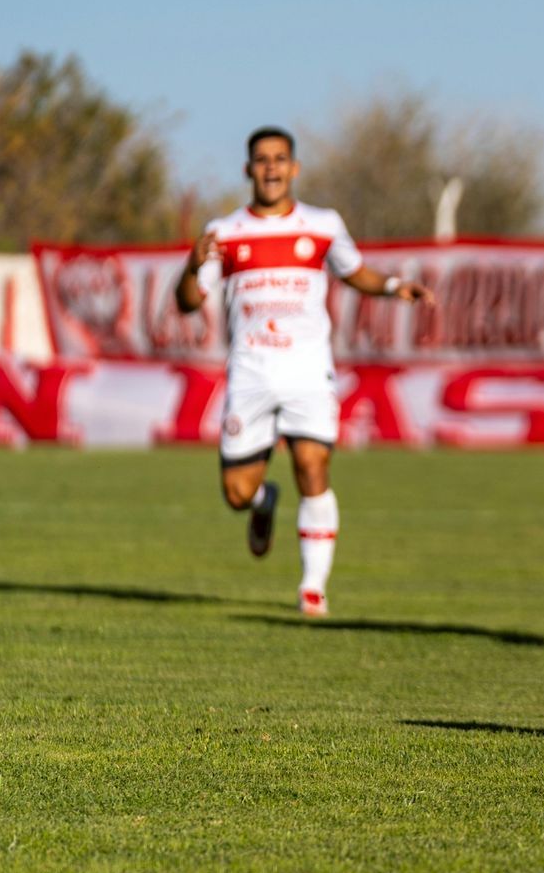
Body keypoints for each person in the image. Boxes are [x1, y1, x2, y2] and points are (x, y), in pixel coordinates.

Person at [174, 126, 431, 617]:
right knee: (236, 493)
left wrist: (396, 285)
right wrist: (190, 266)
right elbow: (188, 304)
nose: (271, 168)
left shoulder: (323, 224)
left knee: (313, 467)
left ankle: (313, 588)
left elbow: (354, 271)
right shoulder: (225, 233)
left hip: (309, 373)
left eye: (280, 159)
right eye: (262, 160)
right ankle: (262, 500)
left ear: (294, 168)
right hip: (250, 375)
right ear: (248, 169)